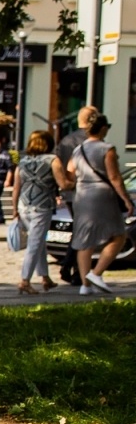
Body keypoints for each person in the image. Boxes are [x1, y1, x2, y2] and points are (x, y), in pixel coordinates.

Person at [63, 113, 133, 295]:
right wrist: (126, 199)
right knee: (118, 236)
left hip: (81, 195)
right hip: (102, 195)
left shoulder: (78, 149)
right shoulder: (107, 149)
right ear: (103, 129)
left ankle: (85, 285)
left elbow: (69, 172)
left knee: (84, 241)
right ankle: (96, 273)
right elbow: (115, 177)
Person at [54, 105, 98, 285]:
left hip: (70, 193)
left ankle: (72, 269)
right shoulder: (92, 140)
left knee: (79, 230)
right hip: (87, 192)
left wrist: (60, 191)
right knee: (84, 232)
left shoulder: (66, 140)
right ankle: (72, 269)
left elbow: (58, 166)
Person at [12, 131, 58, 294]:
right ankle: (25, 280)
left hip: (24, 205)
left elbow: (16, 187)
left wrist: (14, 209)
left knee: (39, 243)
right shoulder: (52, 160)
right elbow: (63, 182)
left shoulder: (23, 162)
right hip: (42, 206)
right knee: (35, 243)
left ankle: (45, 277)